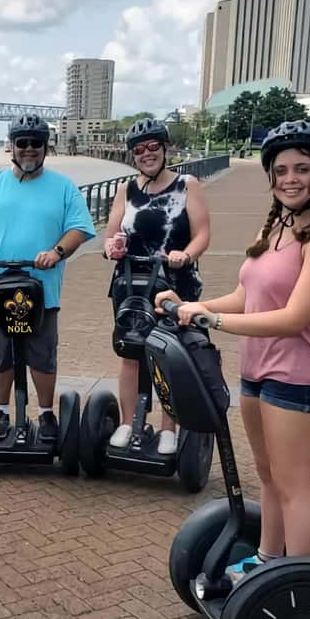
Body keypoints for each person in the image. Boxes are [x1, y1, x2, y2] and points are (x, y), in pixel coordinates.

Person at [155, 120, 310, 583]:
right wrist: (193, 306)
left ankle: (297, 583)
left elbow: (293, 317)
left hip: (301, 374)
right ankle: (267, 563)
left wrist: (213, 321)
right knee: (265, 475)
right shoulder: (280, 228)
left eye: (302, 168)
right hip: (259, 368)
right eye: (281, 169)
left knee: (293, 482)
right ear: (270, 177)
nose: (290, 178)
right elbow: (250, 298)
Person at [0, 114, 95, 441]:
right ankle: (2, 412)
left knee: (42, 355)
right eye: (23, 143)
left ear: (46, 147)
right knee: (1, 353)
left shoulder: (63, 186)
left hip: (42, 288)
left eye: (36, 143)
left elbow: (79, 228)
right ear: (12, 147)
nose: (29, 149)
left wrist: (57, 252)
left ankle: (46, 415)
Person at [103, 118, 211, 454]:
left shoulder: (186, 184)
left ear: (165, 149)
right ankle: (127, 422)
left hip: (175, 284)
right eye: (139, 149)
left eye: (153, 147)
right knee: (130, 352)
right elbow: (110, 236)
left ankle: (168, 427)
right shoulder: (127, 190)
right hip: (132, 284)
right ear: (133, 155)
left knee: (169, 355)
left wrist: (186, 254)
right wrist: (112, 247)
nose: (146, 154)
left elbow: (203, 233)